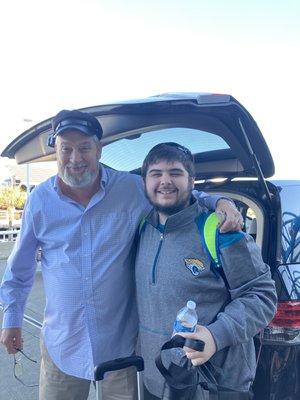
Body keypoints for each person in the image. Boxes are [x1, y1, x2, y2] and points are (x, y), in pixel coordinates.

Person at [0, 110, 242, 400]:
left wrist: (220, 200)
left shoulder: (128, 189)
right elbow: (21, 268)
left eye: (84, 148)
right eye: (67, 149)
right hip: (62, 348)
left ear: (99, 150)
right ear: (56, 150)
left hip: (121, 352)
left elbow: (174, 193)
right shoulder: (40, 200)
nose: (75, 158)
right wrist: (11, 319)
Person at [135, 142, 277, 400]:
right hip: (159, 379)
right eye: (156, 174)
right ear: (144, 181)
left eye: (175, 173)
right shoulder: (143, 228)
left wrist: (215, 335)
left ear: (192, 180)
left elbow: (262, 296)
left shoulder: (219, 229)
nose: (165, 181)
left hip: (214, 385)